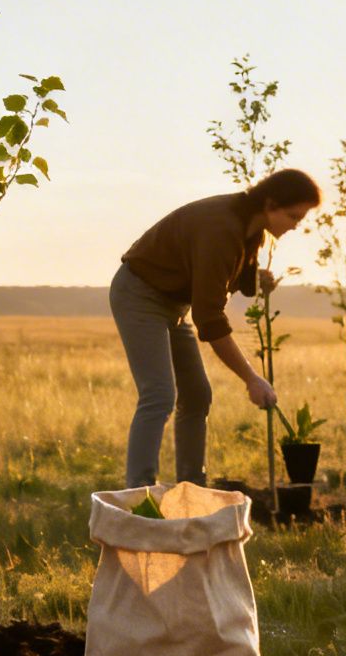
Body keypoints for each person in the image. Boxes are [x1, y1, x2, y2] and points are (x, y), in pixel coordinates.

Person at [113, 169, 322, 488]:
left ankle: (191, 488)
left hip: (174, 305)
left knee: (197, 395)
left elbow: (224, 274)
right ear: (271, 204)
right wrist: (251, 378)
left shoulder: (250, 226)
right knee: (159, 395)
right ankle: (138, 495)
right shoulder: (222, 227)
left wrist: (255, 280)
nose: (296, 225)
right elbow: (209, 318)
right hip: (140, 295)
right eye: (293, 216)